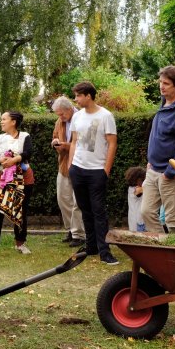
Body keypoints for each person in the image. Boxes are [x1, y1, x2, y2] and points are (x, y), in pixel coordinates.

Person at [140, 66, 175, 233]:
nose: (161, 86)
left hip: (171, 174)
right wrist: (150, 162)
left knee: (173, 219)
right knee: (146, 212)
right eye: (160, 82)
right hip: (153, 170)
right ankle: (161, 249)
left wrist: (169, 172)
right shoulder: (164, 103)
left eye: (166, 83)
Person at [67, 82, 119, 264]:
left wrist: (105, 171)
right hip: (77, 170)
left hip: (96, 171)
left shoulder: (106, 116)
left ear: (88, 95)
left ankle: (105, 252)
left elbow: (112, 143)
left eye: (78, 96)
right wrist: (70, 166)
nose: (76, 99)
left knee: (99, 212)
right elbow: (74, 141)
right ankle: (91, 247)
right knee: (85, 210)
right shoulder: (77, 116)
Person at [0, 111, 34, 255]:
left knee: (21, 210)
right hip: (1, 179)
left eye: (4, 119)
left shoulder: (25, 136)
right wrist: (1, 160)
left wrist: (15, 159)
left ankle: (20, 243)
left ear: (13, 122)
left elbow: (28, 153)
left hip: (23, 179)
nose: (1, 122)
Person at [51, 96, 85, 247]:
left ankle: (79, 234)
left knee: (78, 201)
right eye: (58, 114)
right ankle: (71, 230)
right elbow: (54, 136)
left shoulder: (83, 118)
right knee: (63, 199)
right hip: (64, 165)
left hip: (81, 165)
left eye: (62, 114)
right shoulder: (60, 121)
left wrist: (66, 146)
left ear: (69, 109)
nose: (60, 117)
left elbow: (85, 144)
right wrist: (55, 142)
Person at [125, 166, 146, 232]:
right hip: (139, 222)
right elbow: (139, 191)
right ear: (138, 180)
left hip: (134, 221)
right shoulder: (137, 189)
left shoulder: (131, 188)